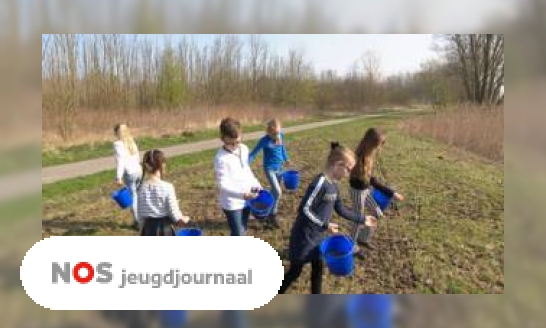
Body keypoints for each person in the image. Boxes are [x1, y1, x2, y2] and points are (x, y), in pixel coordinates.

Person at [278, 142, 367, 294]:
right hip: (304, 237)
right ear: (338, 165)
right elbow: (304, 209)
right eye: (348, 169)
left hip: (319, 237)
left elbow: (341, 210)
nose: (349, 174)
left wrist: (363, 219)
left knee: (318, 269)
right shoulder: (320, 183)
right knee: (295, 271)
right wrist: (326, 225)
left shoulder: (335, 186)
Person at [349, 128, 404, 253]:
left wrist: (390, 192)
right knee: (358, 220)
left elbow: (370, 180)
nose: (380, 148)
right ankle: (352, 245)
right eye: (379, 145)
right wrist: (392, 193)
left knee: (377, 213)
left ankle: (363, 238)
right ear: (371, 144)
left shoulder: (368, 156)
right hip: (357, 192)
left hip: (364, 191)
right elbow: (371, 181)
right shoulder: (360, 158)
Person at [214, 117, 262, 236]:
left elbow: (246, 170)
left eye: (238, 141)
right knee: (238, 233)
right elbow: (222, 185)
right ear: (222, 138)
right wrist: (242, 195)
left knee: (242, 229)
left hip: (247, 198)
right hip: (232, 202)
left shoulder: (244, 149)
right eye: (231, 143)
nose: (235, 145)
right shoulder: (220, 158)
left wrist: (257, 185)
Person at [249, 119, 291, 228]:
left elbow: (282, 148)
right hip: (269, 169)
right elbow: (253, 153)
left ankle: (267, 214)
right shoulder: (264, 141)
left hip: (279, 168)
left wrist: (286, 159)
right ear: (269, 132)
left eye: (278, 132)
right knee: (278, 191)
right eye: (274, 134)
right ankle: (273, 214)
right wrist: (245, 164)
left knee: (274, 193)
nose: (277, 136)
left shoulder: (280, 135)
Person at [137, 149, 190, 236]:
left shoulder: (141, 188)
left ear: (146, 166)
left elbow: (141, 214)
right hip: (165, 230)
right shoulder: (167, 187)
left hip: (148, 229)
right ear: (163, 165)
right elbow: (174, 214)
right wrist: (183, 219)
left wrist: (141, 229)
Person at [113, 123, 142, 228]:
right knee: (138, 195)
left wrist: (118, 177)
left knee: (133, 198)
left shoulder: (118, 144)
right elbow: (138, 157)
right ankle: (143, 218)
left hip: (129, 173)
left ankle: (138, 222)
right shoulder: (131, 141)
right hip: (139, 171)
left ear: (117, 133)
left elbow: (121, 161)